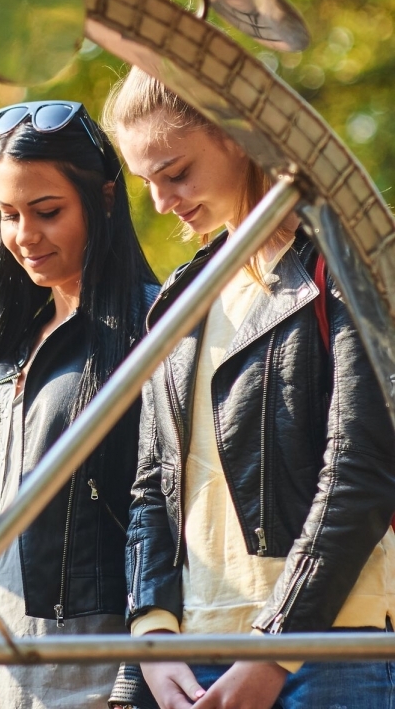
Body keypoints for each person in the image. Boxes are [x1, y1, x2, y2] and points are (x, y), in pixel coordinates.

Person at [103, 67, 395, 709]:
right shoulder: (179, 297)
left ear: (238, 134)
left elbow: (362, 470)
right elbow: (152, 485)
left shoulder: (349, 259)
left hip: (328, 646)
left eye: (177, 172)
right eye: (147, 182)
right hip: (193, 654)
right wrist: (152, 636)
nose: (162, 202)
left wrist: (274, 648)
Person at [0, 100, 159, 709]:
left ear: (104, 199)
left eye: (47, 211)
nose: (25, 236)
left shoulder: (156, 326)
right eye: (9, 215)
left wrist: (134, 678)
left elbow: (166, 517)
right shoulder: (10, 346)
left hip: (101, 682)